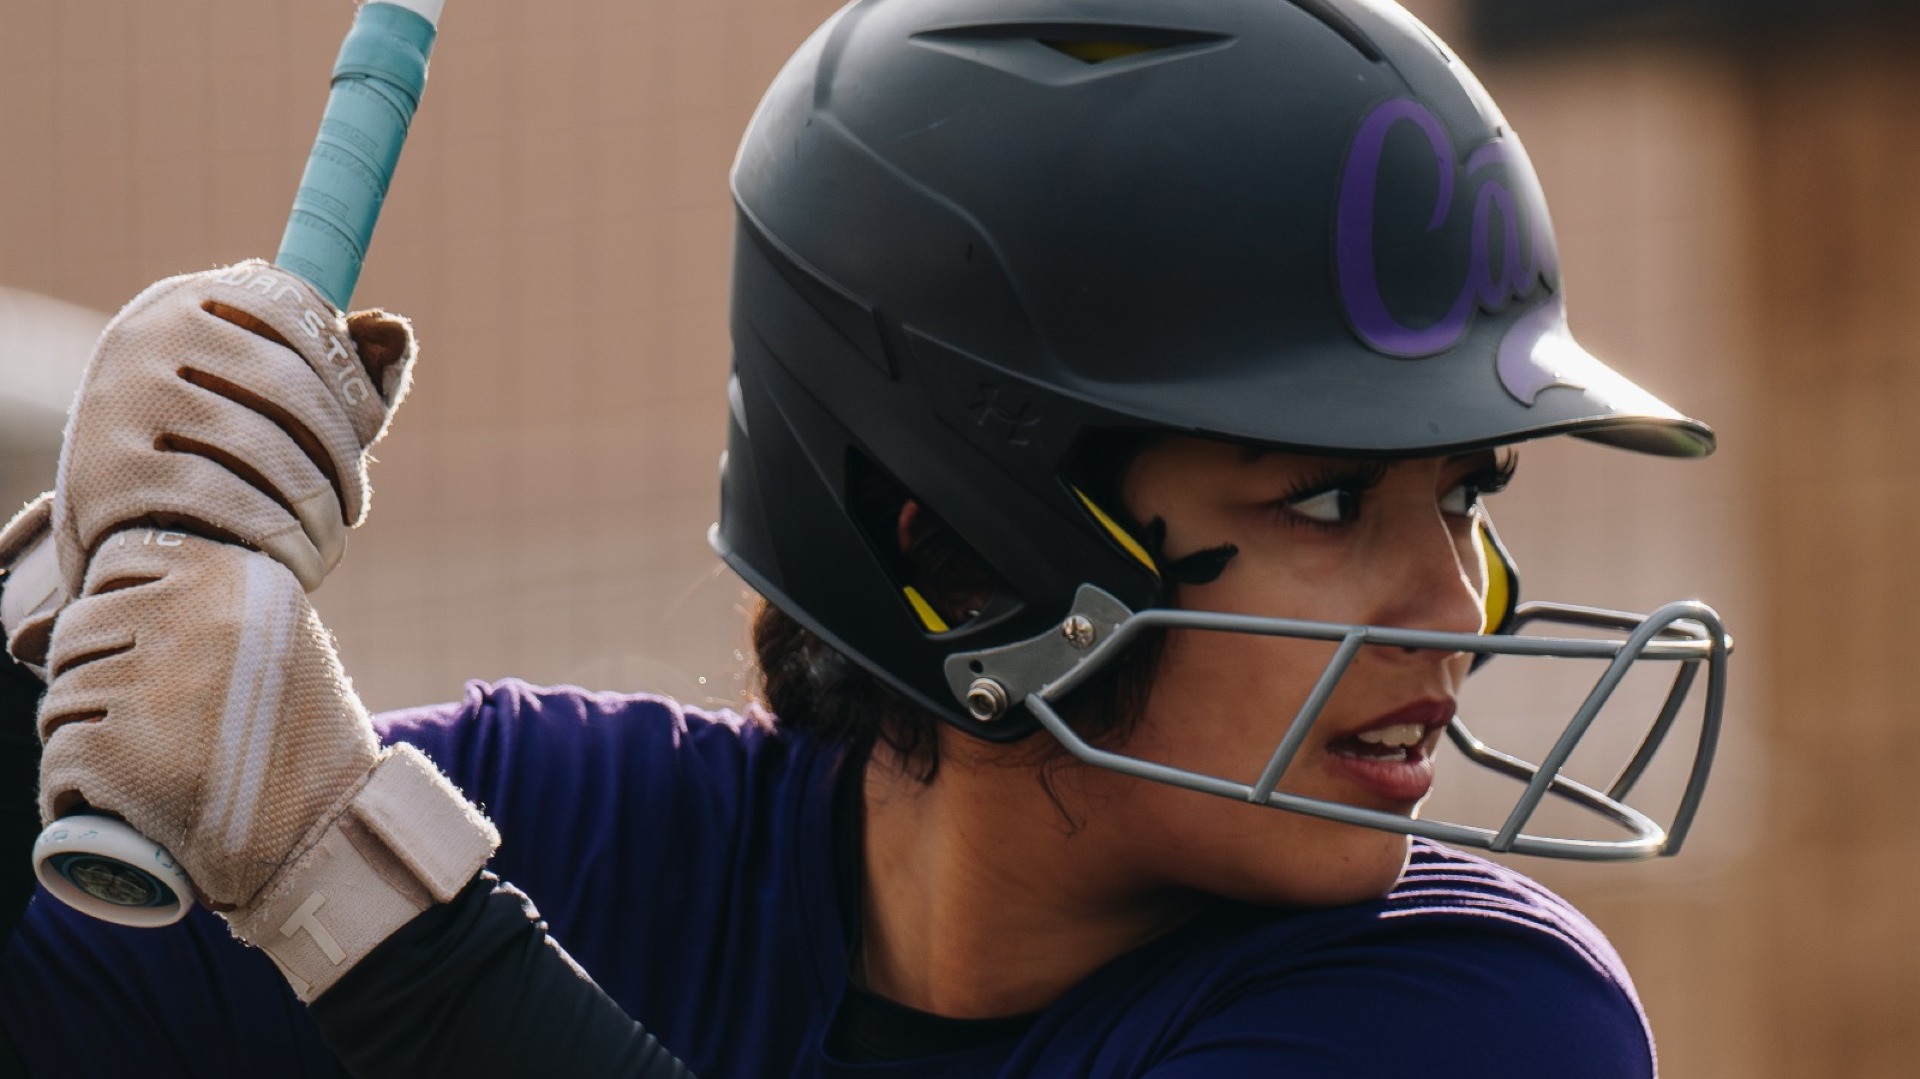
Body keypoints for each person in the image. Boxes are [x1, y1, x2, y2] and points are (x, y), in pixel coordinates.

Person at [0, 0, 1728, 1075]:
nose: (1457, 611)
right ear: (960, 556)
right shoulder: (577, 841)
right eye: (1332, 500)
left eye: (1466, 496)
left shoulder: (1477, 1017)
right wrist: (73, 609)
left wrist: (339, 886)